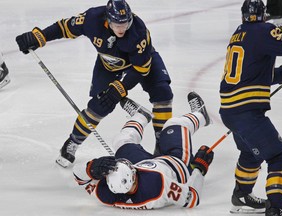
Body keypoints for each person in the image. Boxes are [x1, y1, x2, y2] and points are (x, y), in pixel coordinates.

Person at [15, 0, 173, 167]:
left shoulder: (138, 31)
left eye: (125, 23)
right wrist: (38, 37)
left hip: (141, 64)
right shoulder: (92, 19)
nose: (121, 29)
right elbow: (65, 27)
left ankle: (162, 145)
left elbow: (141, 69)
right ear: (107, 19)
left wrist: (119, 88)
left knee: (163, 93)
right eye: (116, 24)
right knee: (99, 106)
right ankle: (73, 142)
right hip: (109, 65)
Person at [73, 92, 214, 209]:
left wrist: (90, 169)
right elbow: (192, 198)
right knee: (173, 125)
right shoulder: (158, 186)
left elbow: (79, 178)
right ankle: (200, 115)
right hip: (176, 163)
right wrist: (199, 168)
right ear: (133, 175)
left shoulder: (107, 194)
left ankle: (140, 116)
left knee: (121, 142)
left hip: (146, 163)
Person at [219, 0, 282, 215]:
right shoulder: (264, 30)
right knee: (279, 157)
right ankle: (275, 208)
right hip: (246, 112)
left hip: (229, 110)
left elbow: (254, 74)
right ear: (263, 15)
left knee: (251, 153)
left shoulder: (238, 34)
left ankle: (241, 195)